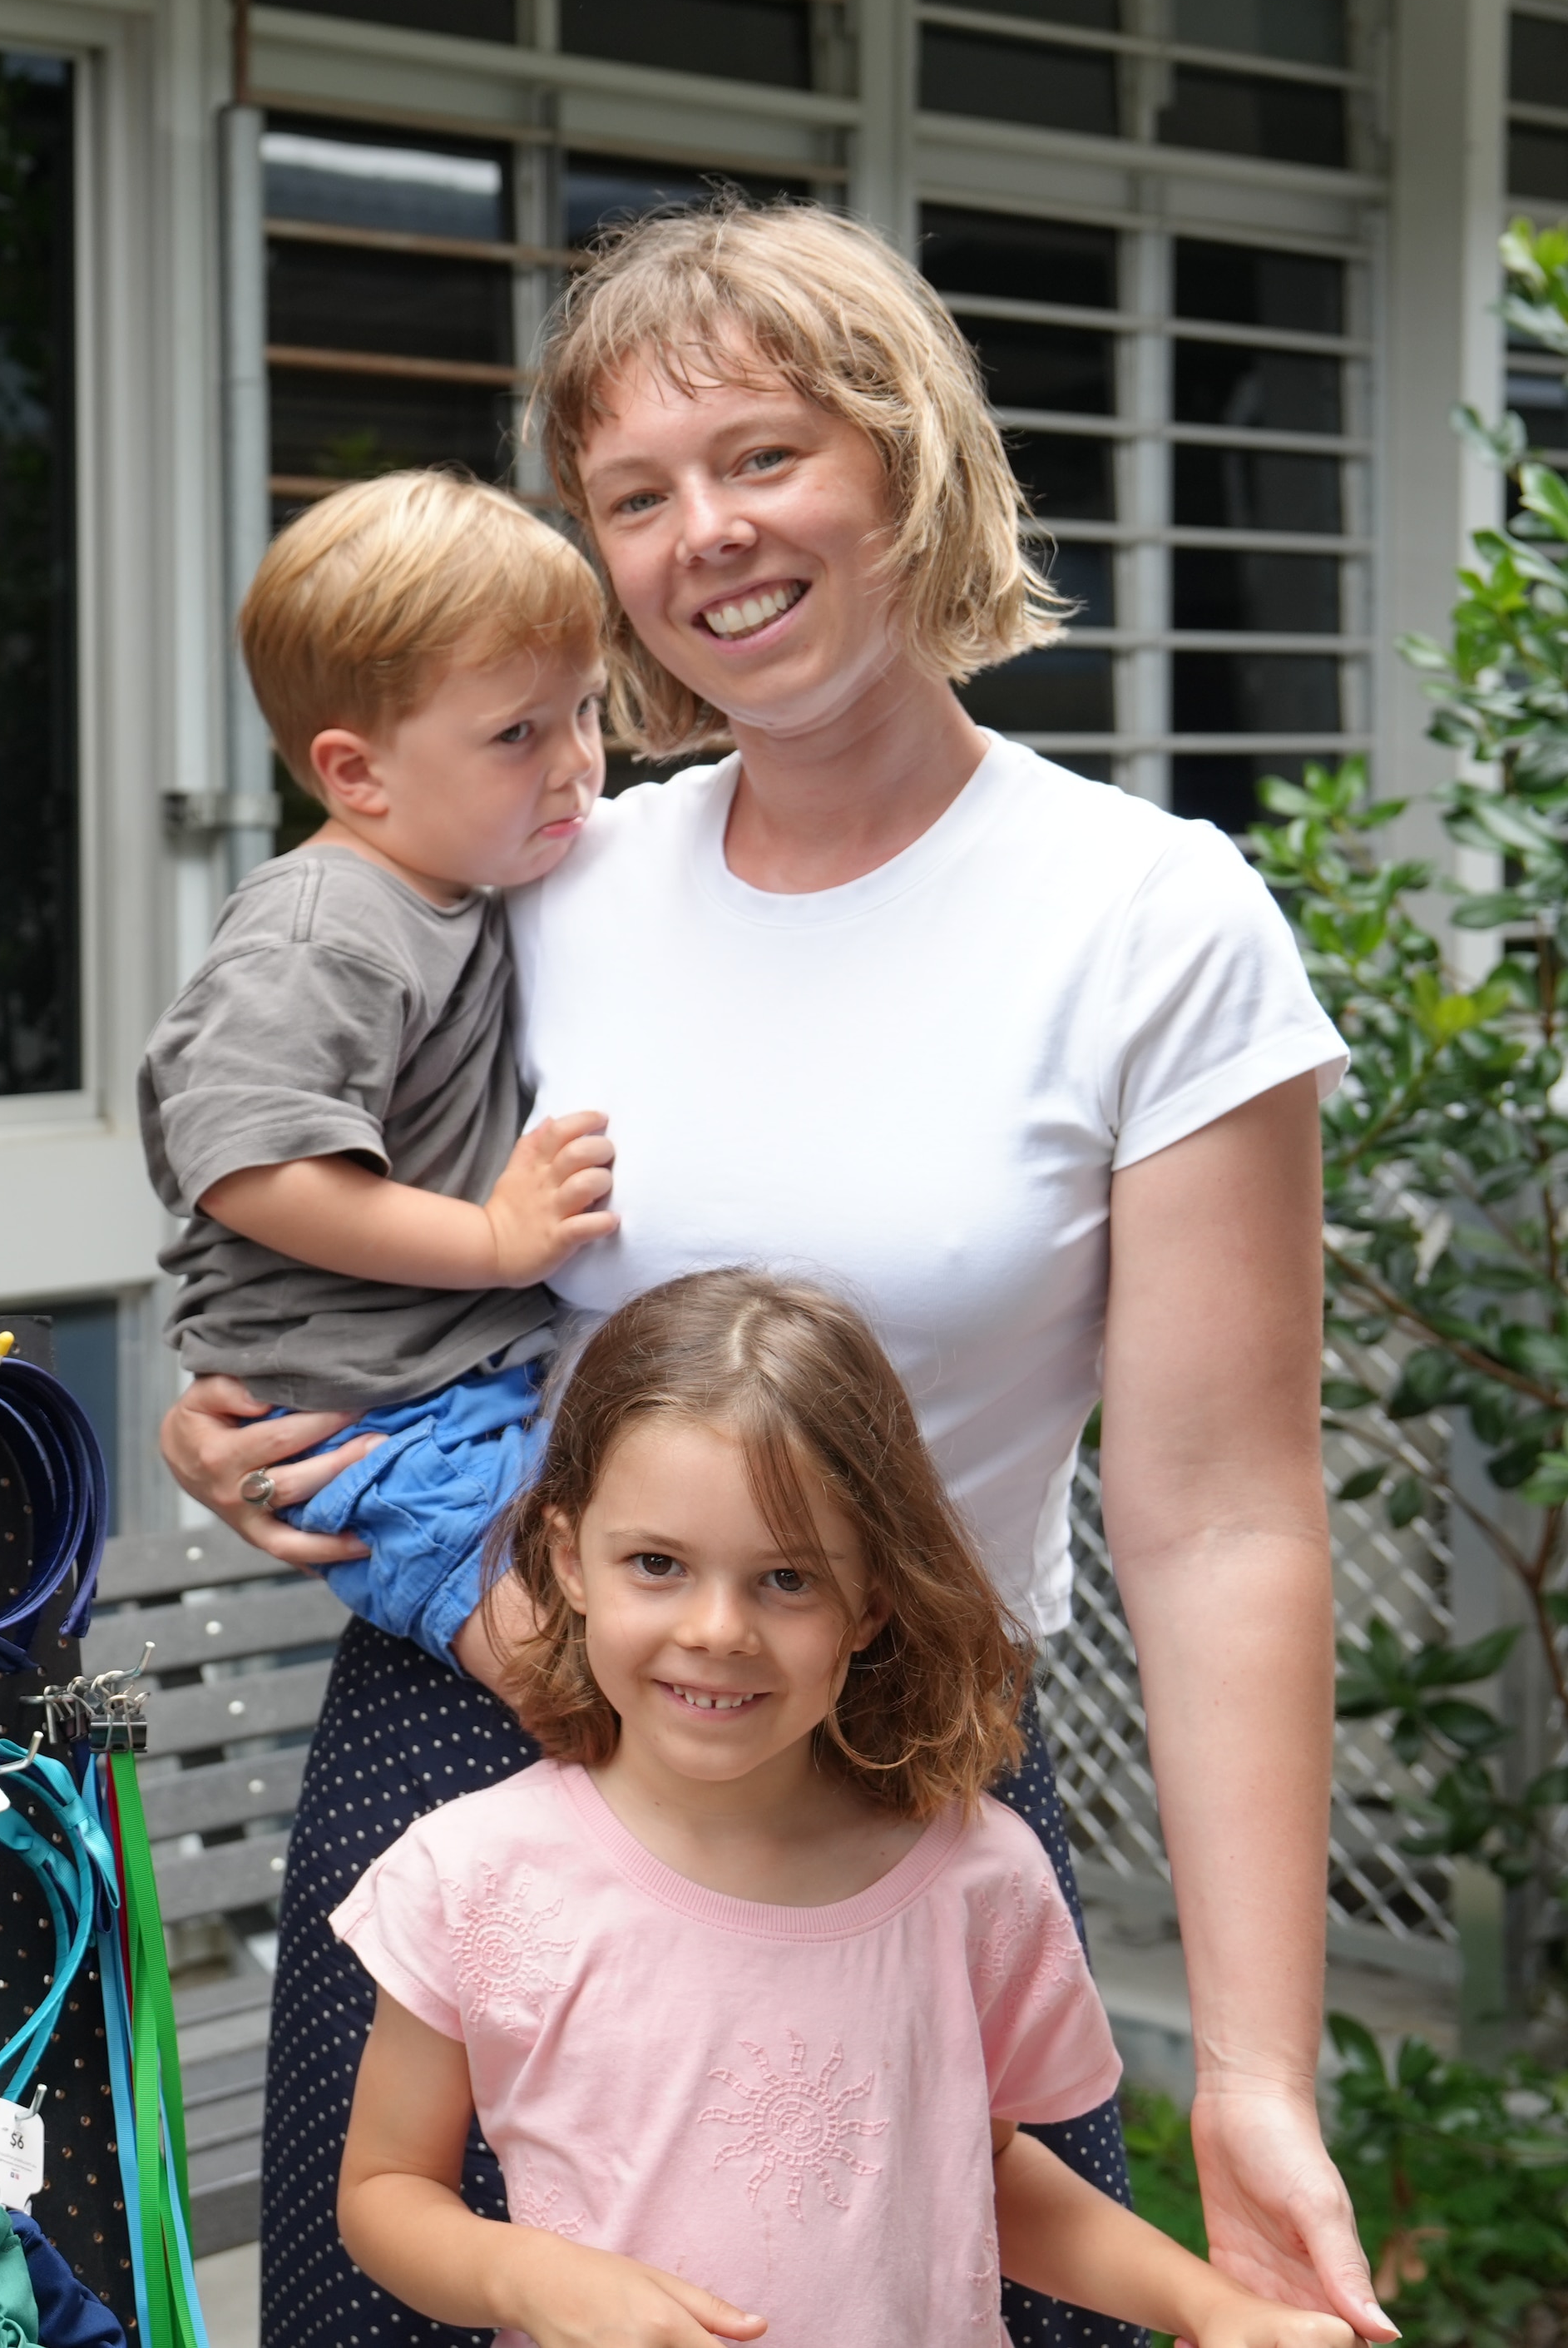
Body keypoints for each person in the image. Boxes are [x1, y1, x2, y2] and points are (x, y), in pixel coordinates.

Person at [161, 201, 1386, 2342]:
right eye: (633, 494)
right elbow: (285, 1137)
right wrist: (258, 1402)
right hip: (483, 1758)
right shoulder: (544, 865)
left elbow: (1225, 1520)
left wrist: (1260, 2075)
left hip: (894, 1806)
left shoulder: (1147, 918)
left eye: (760, 455)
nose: (702, 534)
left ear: (903, 456)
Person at [330, 1271, 1354, 2348]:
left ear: (870, 1599)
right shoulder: (472, 1877)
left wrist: (1213, 2304)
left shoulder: (977, 1878)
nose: (718, 1628)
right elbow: (389, 2186)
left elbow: (987, 2170)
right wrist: (522, 2272)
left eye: (786, 1578)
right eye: (658, 1564)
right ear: (567, 1556)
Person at [137, 469, 618, 1671]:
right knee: (579, 1688)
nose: (577, 766)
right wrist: (499, 1244)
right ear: (357, 774)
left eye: (590, 712)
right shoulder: (327, 923)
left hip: (457, 1391)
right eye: (518, 733)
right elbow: (253, 1171)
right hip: (373, 1416)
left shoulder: (462, 875)